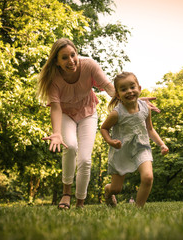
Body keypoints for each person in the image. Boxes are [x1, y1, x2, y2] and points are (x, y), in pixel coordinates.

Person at [37, 38, 158, 209]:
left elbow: (109, 87)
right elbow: (55, 107)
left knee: (85, 160)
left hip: (87, 112)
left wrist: (134, 101)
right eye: (64, 58)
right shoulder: (53, 78)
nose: (71, 61)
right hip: (66, 114)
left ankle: (80, 201)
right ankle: (66, 194)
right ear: (56, 61)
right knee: (70, 146)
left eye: (73, 55)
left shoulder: (89, 65)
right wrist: (56, 133)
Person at [100, 72, 169, 208]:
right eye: (124, 89)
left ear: (139, 88)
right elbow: (104, 128)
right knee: (116, 189)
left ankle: (139, 208)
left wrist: (161, 144)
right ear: (118, 95)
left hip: (141, 148)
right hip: (121, 151)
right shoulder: (117, 113)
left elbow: (150, 129)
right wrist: (110, 141)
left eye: (132, 87)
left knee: (148, 177)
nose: (129, 91)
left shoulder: (145, 108)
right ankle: (108, 191)